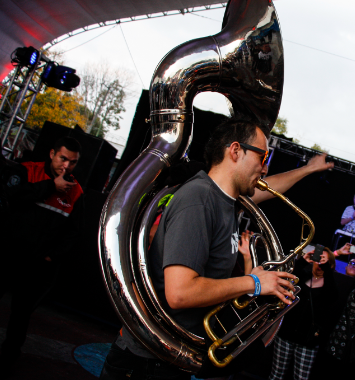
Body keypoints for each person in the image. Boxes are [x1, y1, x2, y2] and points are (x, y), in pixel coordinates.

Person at [99, 118, 333, 380]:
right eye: (262, 156)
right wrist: (253, 282)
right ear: (235, 150)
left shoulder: (227, 200)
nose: (265, 169)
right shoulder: (199, 198)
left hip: (166, 361)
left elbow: (272, 186)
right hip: (145, 364)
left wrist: (309, 169)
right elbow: (180, 293)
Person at [0, 137, 84, 371]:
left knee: (21, 315)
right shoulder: (27, 171)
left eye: (73, 162)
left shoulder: (76, 192)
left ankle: (8, 359)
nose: (66, 166)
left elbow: (73, 233)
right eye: (62, 158)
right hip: (6, 254)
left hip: (35, 266)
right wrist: (51, 187)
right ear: (52, 154)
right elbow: (12, 197)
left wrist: (51, 257)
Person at [269, 246, 337, 380]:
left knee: (301, 378)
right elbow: (289, 279)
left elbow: (332, 298)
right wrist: (303, 261)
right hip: (286, 336)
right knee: (276, 375)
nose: (319, 263)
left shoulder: (330, 285)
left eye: (324, 261)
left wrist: (326, 269)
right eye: (318, 259)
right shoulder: (303, 276)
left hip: (308, 342)